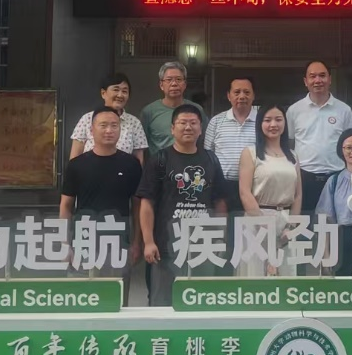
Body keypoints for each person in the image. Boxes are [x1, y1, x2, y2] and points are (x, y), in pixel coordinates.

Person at [136, 105, 230, 306]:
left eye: (193, 123)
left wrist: (220, 236)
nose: (188, 127)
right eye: (182, 123)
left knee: (201, 302)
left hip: (203, 245)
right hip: (166, 246)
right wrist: (148, 241)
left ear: (201, 129)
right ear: (172, 129)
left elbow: (220, 202)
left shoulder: (211, 159)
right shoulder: (160, 160)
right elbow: (147, 203)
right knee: (162, 304)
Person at [59, 107, 143, 290]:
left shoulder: (132, 165)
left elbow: (138, 207)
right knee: (82, 296)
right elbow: (66, 206)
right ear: (91, 130)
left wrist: (137, 243)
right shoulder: (77, 165)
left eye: (114, 125)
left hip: (118, 243)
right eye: (103, 125)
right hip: (84, 241)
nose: (109, 130)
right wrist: (65, 243)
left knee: (116, 296)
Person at [236, 104, 302, 277]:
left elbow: (298, 194)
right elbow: (244, 192)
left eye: (278, 120)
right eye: (267, 120)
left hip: (285, 223)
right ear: (260, 124)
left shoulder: (293, 156)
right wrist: (263, 222)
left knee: (286, 274)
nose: (273, 124)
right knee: (256, 274)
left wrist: (292, 225)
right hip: (257, 222)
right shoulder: (250, 153)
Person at [286, 60, 352, 213]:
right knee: (306, 221)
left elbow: (350, 144)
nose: (318, 80)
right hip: (304, 178)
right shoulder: (294, 110)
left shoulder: (344, 110)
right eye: (313, 76)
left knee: (336, 222)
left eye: (322, 76)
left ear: (330, 79)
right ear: (305, 81)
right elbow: (289, 143)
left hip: (336, 177)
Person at [316, 128, 352, 277]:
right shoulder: (333, 182)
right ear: (342, 150)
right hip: (341, 241)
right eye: (348, 148)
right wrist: (325, 256)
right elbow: (325, 221)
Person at [68, 72, 148, 163]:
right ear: (103, 93)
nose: (120, 95)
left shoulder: (134, 123)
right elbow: (74, 158)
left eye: (124, 91)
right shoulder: (87, 119)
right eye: (116, 90)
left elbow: (138, 161)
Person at [204, 76, 259, 193]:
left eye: (247, 92)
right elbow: (207, 156)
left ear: (254, 95)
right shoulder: (216, 121)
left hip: (256, 185)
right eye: (237, 92)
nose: (242, 96)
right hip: (223, 186)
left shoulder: (263, 121)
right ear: (229, 96)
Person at [139, 61, 205, 156]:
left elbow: (203, 140)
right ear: (161, 85)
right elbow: (142, 146)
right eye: (169, 80)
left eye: (178, 79)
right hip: (160, 163)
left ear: (185, 84)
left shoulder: (196, 110)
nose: (174, 84)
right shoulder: (149, 112)